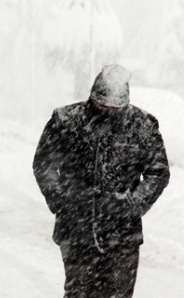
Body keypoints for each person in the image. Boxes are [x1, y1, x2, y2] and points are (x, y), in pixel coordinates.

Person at [32, 64, 170, 298]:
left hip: (123, 234)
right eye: (101, 105)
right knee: (79, 293)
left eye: (114, 108)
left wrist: (133, 203)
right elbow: (44, 163)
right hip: (77, 231)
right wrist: (62, 200)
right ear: (92, 96)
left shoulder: (143, 126)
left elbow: (158, 172)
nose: (107, 111)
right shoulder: (66, 121)